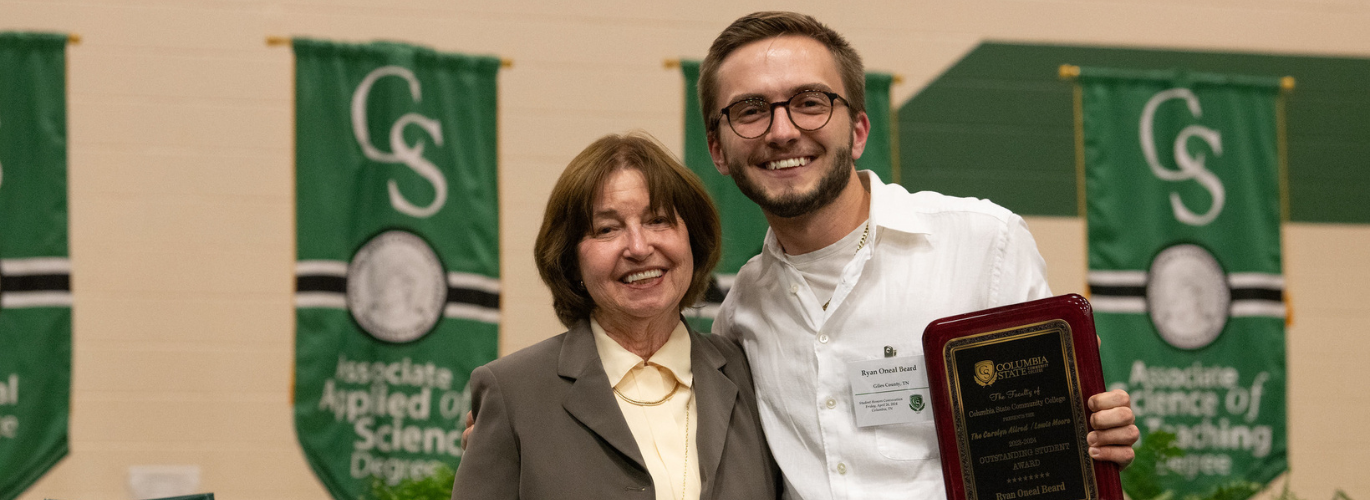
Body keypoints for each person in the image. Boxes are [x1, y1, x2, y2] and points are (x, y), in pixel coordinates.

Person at [698, 11, 1140, 499]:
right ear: (718, 150)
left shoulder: (982, 246)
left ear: (859, 132)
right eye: (750, 110)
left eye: (809, 102)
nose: (782, 130)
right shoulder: (742, 309)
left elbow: (1051, 443)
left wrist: (1093, 431)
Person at [451, 132, 780, 500]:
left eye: (658, 220)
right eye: (607, 229)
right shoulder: (514, 395)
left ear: (693, 239)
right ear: (570, 258)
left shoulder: (754, 375)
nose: (639, 248)